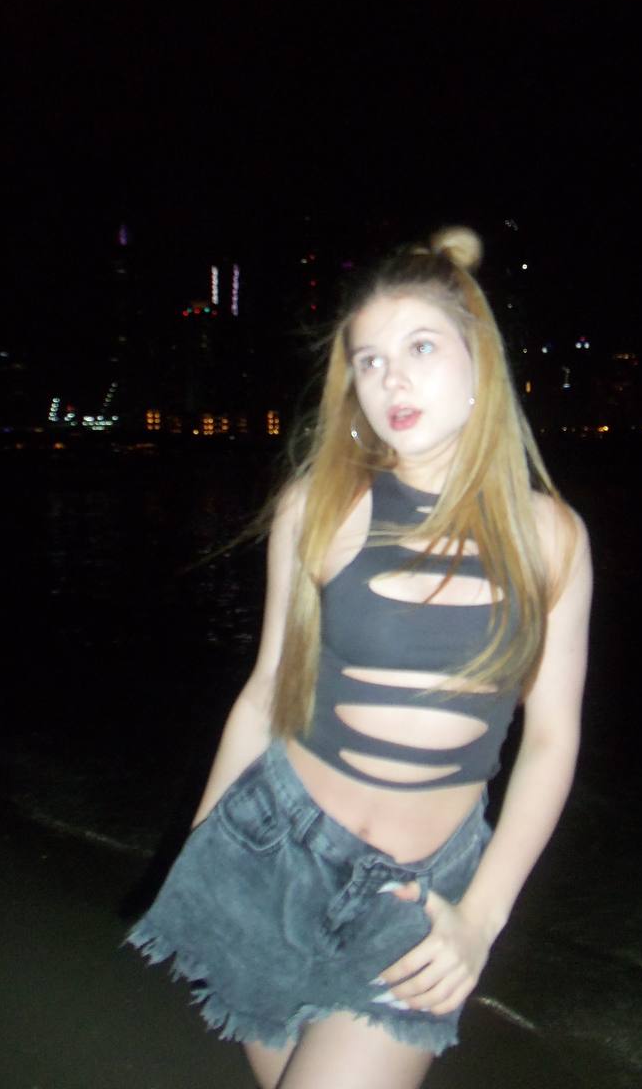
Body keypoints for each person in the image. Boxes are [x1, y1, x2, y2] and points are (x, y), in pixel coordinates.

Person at [126, 227, 592, 1089]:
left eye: (420, 348)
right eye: (369, 361)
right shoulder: (318, 504)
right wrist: (200, 854)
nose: (391, 380)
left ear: (480, 363)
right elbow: (266, 693)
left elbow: (552, 738)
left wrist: (481, 917)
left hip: (419, 899)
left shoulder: (550, 536)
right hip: (272, 851)